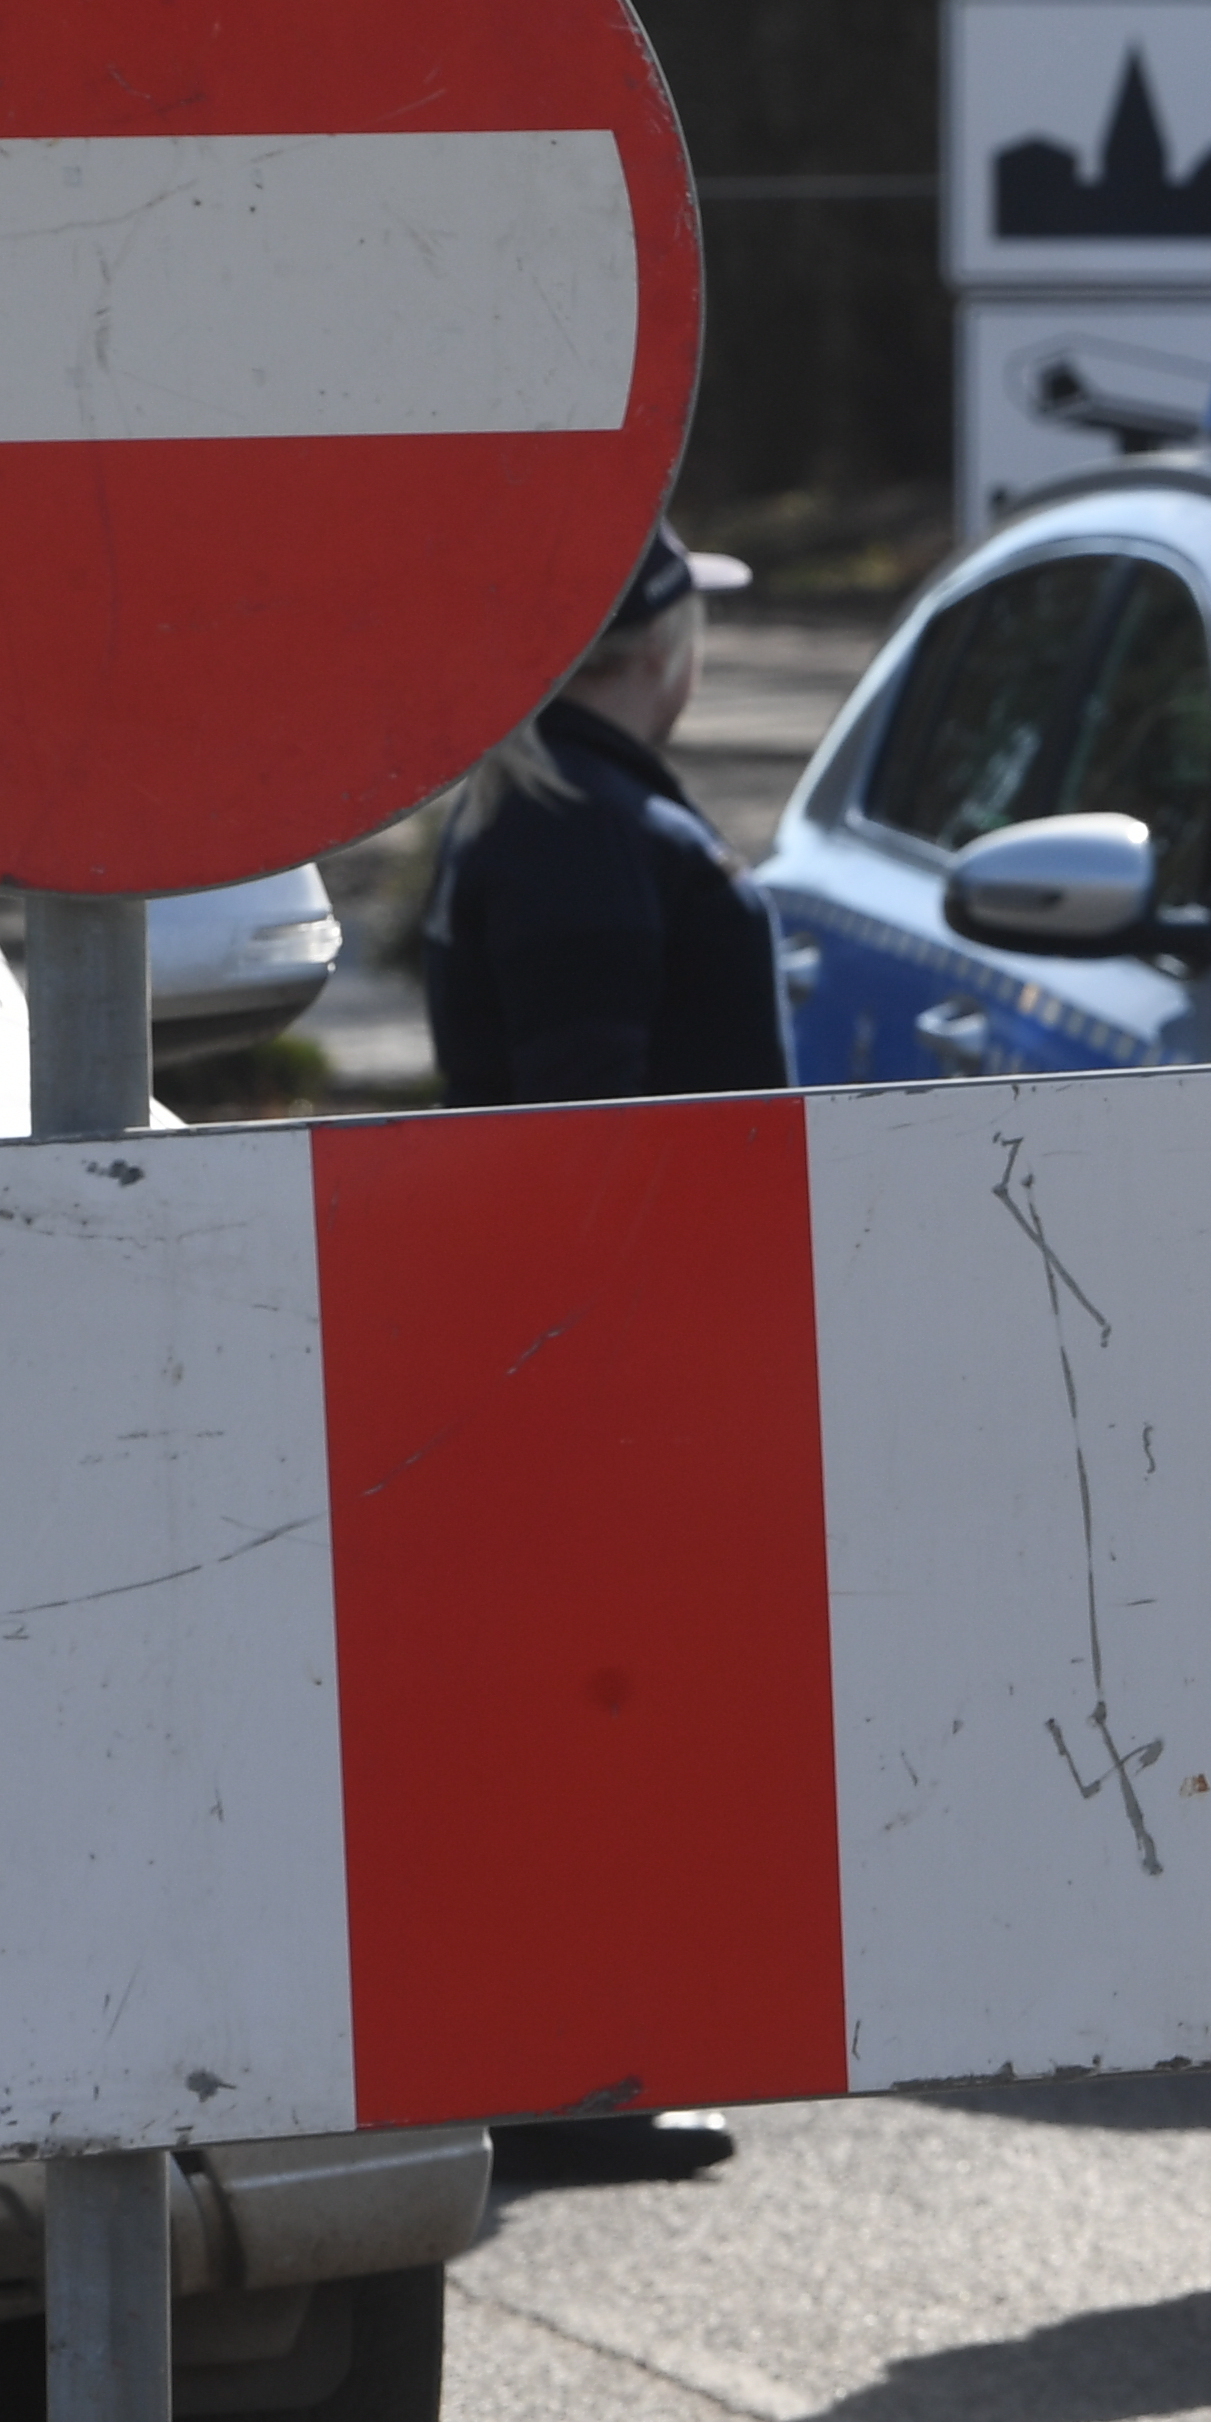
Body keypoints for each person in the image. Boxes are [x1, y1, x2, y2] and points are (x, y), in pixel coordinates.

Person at [420, 515, 779, 2189]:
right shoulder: (581, 840)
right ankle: (570, 2076)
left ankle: (582, 2061)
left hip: (598, 1363)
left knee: (597, 1719)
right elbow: (595, 1150)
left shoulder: (570, 813)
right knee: (594, 1725)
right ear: (656, 648)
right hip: (609, 1369)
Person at [422, 518, 782, 1110]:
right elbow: (585, 1116)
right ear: (658, 645)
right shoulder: (578, 832)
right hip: (663, 1200)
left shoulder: (556, 800)